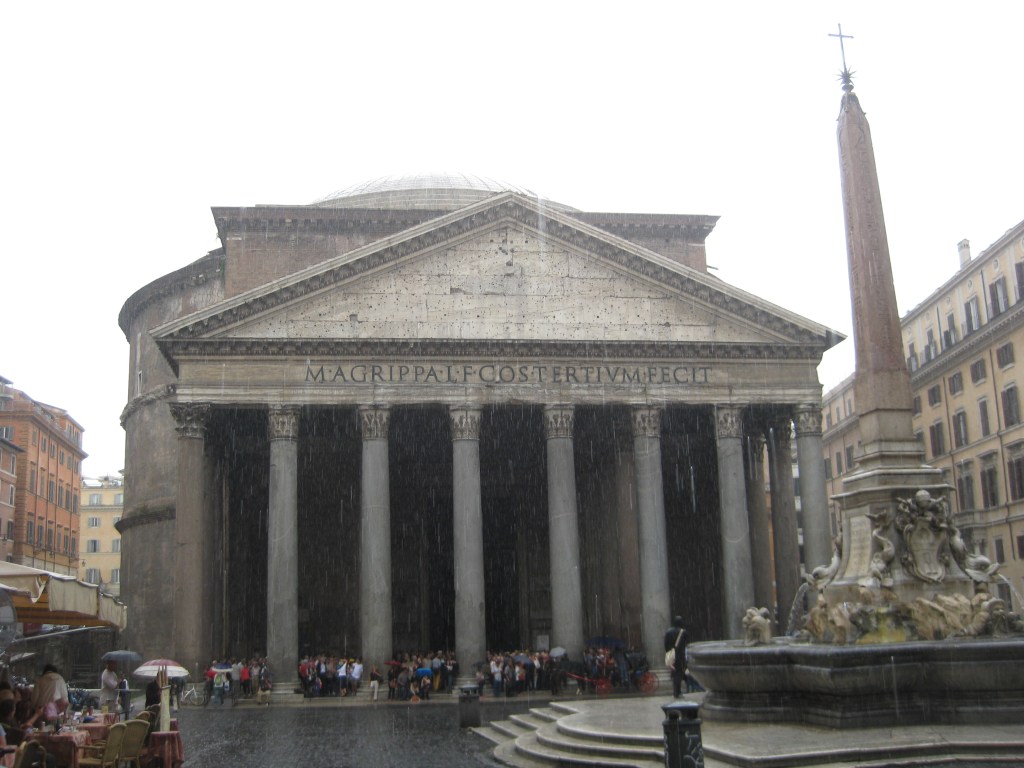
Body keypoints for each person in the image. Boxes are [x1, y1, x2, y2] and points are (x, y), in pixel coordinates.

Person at [664, 615, 688, 698]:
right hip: (680, 655)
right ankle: (677, 692)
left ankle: (676, 691)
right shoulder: (683, 632)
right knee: (679, 674)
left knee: (674, 673)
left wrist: (669, 653)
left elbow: (666, 645)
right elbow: (685, 644)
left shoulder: (668, 632)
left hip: (672, 655)